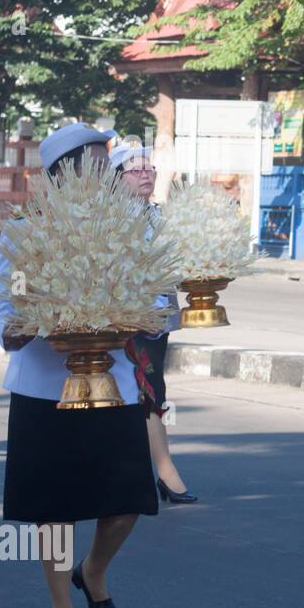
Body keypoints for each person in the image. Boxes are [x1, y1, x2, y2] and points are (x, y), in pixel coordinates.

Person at [0, 123, 160, 608]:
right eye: (96, 161)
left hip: (115, 387)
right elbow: (7, 301)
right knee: (55, 505)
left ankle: (94, 570)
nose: (108, 170)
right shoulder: (25, 229)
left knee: (128, 500)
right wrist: (20, 326)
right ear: (67, 172)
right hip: (45, 390)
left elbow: (157, 301)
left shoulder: (133, 228)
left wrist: (148, 317)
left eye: (107, 162)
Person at [110, 144, 196, 505]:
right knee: (140, 394)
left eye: (150, 169)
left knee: (153, 391)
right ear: (118, 178)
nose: (146, 175)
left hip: (157, 321)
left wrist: (174, 304)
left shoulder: (156, 217)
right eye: (136, 170)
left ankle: (155, 473)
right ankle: (163, 472)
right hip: (127, 322)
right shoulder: (110, 219)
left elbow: (169, 268)